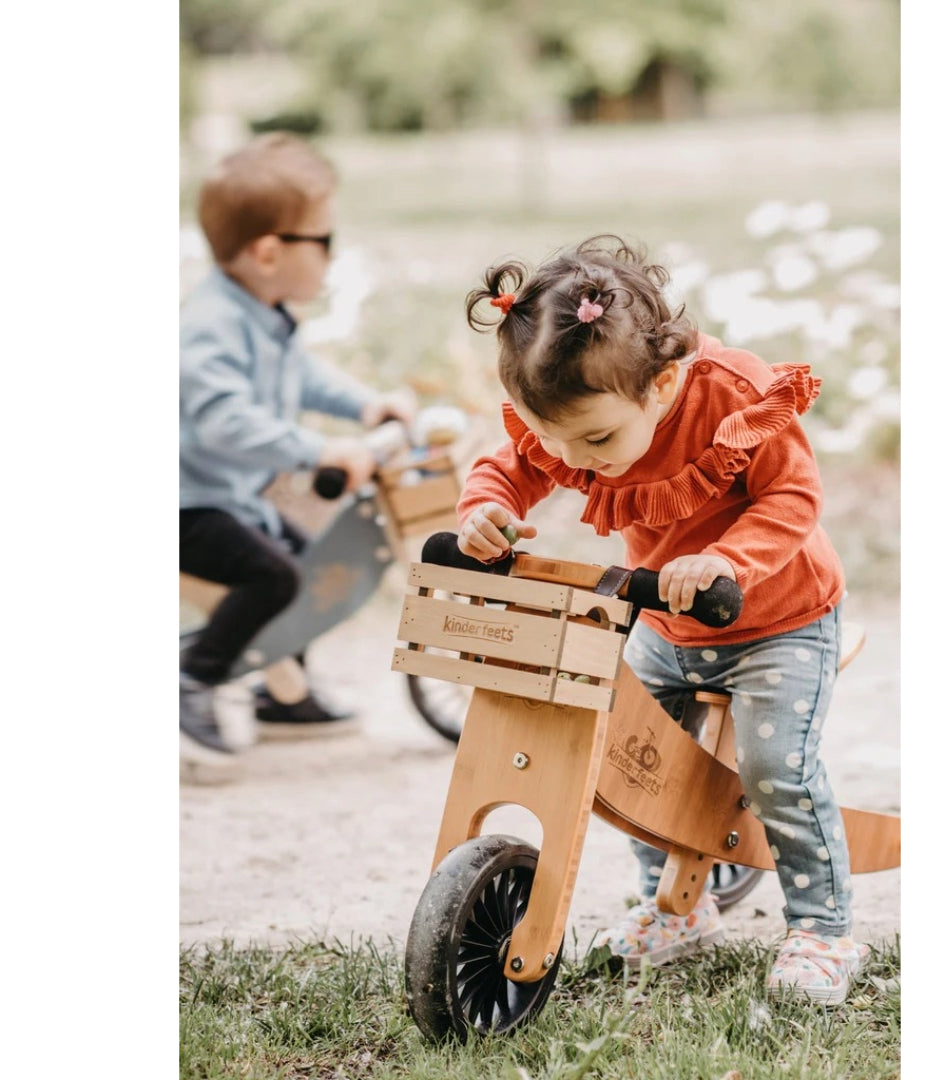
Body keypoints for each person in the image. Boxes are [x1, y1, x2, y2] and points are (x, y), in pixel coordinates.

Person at [454, 234, 866, 1005]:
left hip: (779, 618)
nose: (571, 458)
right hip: (668, 626)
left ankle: (823, 927)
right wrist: (488, 509)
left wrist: (727, 562)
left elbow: (793, 500)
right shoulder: (570, 419)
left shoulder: (730, 393)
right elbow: (507, 464)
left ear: (664, 384)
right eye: (549, 435)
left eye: (597, 439)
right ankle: (676, 909)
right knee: (634, 760)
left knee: (778, 773)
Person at [180, 132, 415, 778]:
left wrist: (367, 407)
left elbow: (304, 377)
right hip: (185, 504)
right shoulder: (212, 325)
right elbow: (223, 420)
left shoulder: (263, 311)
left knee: (306, 566)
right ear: (267, 252)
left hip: (227, 498)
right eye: (324, 241)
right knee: (274, 576)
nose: (331, 256)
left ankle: (282, 697)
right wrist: (319, 449)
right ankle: (190, 682)